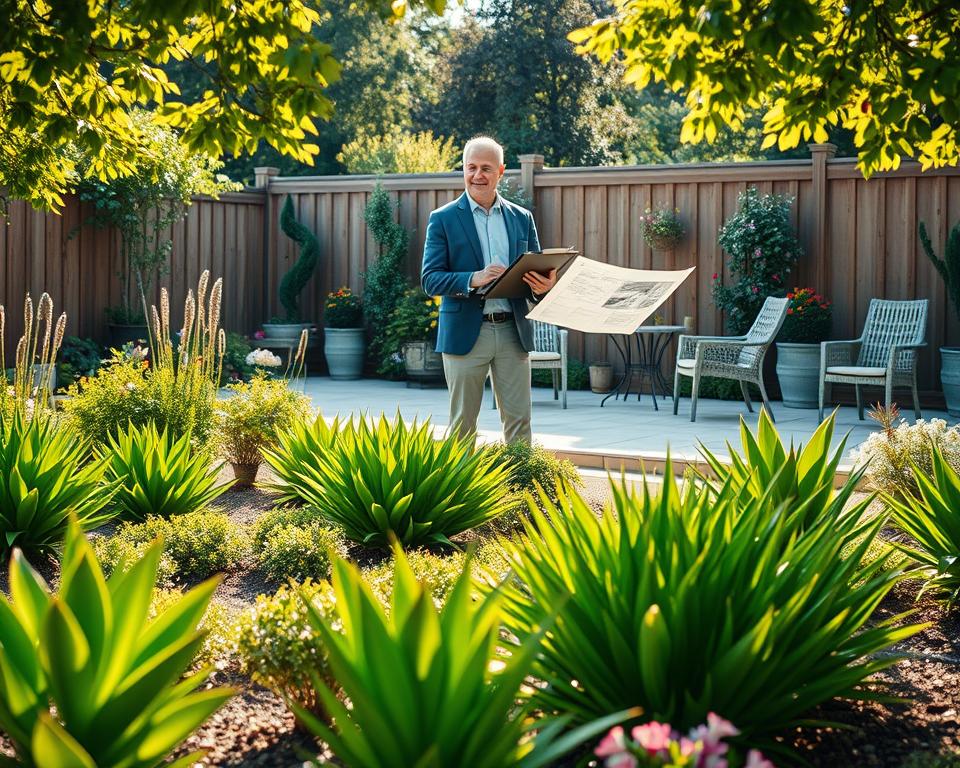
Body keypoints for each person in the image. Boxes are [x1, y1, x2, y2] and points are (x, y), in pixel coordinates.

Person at [421, 136, 556, 444]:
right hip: (466, 333)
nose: (477, 175)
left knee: (520, 422)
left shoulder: (522, 218)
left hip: (513, 332)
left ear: (501, 171)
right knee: (462, 426)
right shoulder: (442, 219)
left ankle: (521, 488)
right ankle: (463, 492)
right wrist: (474, 277)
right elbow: (430, 279)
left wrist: (545, 287)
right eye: (471, 167)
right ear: (463, 170)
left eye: (485, 168)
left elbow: (534, 275)